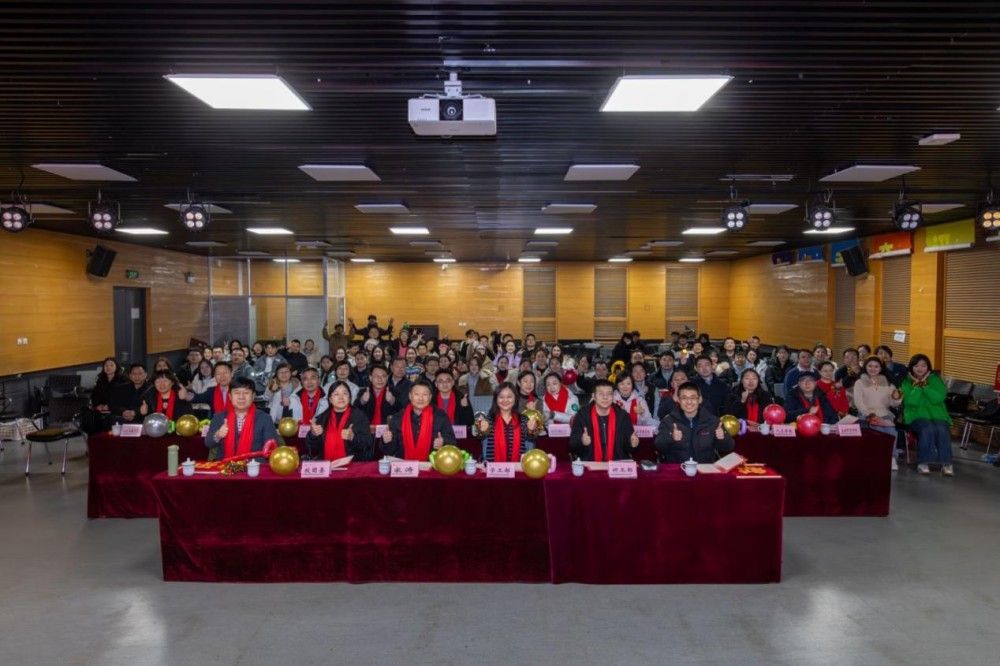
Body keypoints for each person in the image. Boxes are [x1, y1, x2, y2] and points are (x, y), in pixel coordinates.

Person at [655, 382, 735, 463]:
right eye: (684, 398)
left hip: (704, 468)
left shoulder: (713, 421)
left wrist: (722, 438)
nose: (689, 402)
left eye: (693, 398)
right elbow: (658, 445)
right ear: (678, 400)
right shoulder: (668, 421)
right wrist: (671, 437)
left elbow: (729, 447)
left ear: (699, 400)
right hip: (677, 468)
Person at [900, 354, 953, 475]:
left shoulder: (935, 379)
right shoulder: (906, 381)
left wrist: (924, 385)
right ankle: (923, 462)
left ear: (928, 367)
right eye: (916, 366)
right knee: (927, 429)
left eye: (923, 365)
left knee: (941, 430)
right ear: (911, 367)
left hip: (938, 415)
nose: (920, 368)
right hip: (915, 416)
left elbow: (938, 398)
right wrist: (918, 386)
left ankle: (946, 463)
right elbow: (910, 401)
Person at [205, 378, 280, 460]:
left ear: (253, 396)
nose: (241, 397)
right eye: (237, 393)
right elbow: (208, 443)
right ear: (230, 396)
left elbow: (272, 448)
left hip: (254, 465)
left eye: (246, 393)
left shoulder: (265, 418)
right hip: (225, 465)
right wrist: (218, 435)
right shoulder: (219, 417)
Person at [381, 382, 456, 460]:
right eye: (416, 394)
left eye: (425, 395)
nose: (420, 398)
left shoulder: (440, 417)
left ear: (430, 397)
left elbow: (452, 443)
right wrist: (386, 441)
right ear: (410, 396)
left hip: (432, 464)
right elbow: (389, 451)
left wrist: (443, 442)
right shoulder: (398, 418)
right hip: (404, 465)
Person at [569, 380, 640, 461]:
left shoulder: (623, 416)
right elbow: (572, 445)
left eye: (609, 394)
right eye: (601, 394)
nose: (605, 397)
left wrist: (632, 444)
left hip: (617, 463)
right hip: (591, 463)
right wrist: (581, 441)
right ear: (593, 396)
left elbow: (629, 447)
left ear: (613, 396)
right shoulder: (583, 415)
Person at [853, 356, 902, 470]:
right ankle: (879, 458)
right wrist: (870, 415)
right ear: (865, 367)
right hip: (866, 415)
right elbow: (859, 403)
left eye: (876, 366)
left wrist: (896, 398)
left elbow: (893, 404)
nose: (873, 369)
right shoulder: (859, 382)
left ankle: (892, 458)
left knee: (892, 432)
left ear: (881, 368)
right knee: (879, 431)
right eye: (870, 366)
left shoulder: (888, 383)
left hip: (885, 414)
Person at [305, 381, 374, 461]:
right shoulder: (322, 418)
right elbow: (312, 449)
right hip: (327, 465)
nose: (341, 397)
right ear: (330, 399)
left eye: (345, 393)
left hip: (353, 465)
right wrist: (313, 435)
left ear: (349, 397)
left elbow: (368, 443)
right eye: (336, 394)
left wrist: (353, 438)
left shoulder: (359, 417)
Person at [475, 384, 536, 463]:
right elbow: (481, 439)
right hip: (493, 468)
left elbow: (530, 443)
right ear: (496, 399)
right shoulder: (488, 420)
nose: (505, 400)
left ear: (515, 399)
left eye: (509, 397)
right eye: (501, 397)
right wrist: (482, 431)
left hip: (518, 467)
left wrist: (531, 431)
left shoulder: (523, 419)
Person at [83, 357, 125, 433]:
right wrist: (98, 405)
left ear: (116, 367)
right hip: (101, 408)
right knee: (88, 415)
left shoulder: (123, 380)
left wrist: (109, 406)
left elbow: (123, 397)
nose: (108, 367)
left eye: (111, 365)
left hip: (116, 408)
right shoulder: (100, 380)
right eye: (106, 365)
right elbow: (95, 395)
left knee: (110, 418)